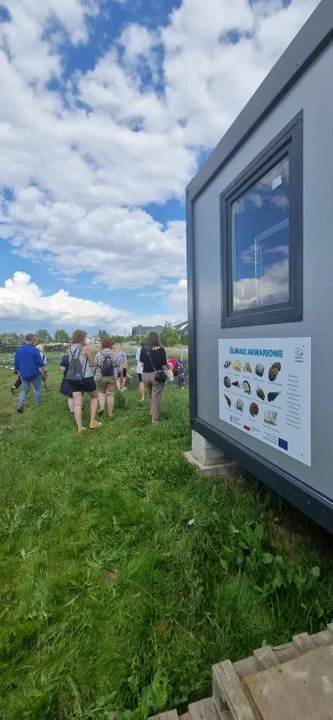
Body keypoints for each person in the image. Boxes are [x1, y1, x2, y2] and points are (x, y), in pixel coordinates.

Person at [67, 330, 101, 433]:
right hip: (85, 377)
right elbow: (91, 363)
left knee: (77, 404)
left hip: (73, 378)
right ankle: (92, 422)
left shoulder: (70, 349)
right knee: (94, 397)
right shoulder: (84, 348)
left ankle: (80, 428)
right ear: (81, 338)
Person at [140, 331, 167, 424]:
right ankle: (154, 419)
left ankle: (151, 411)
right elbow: (164, 366)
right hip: (156, 376)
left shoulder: (143, 349)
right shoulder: (161, 350)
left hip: (145, 375)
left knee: (150, 394)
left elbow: (142, 364)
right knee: (156, 396)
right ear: (157, 339)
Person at [14, 333, 45, 413]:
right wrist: (45, 371)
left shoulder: (18, 350)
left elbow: (16, 365)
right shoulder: (35, 350)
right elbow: (40, 363)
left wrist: (19, 373)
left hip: (24, 374)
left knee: (24, 390)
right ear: (32, 340)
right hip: (35, 374)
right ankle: (38, 405)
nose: (35, 341)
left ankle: (20, 404)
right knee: (37, 389)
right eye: (35, 339)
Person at [94, 339, 121, 417]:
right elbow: (119, 367)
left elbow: (95, 366)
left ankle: (102, 407)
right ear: (110, 345)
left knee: (101, 391)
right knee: (110, 395)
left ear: (102, 345)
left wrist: (94, 375)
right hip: (112, 377)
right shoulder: (114, 354)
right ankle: (110, 413)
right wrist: (121, 376)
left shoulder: (98, 354)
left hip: (100, 377)